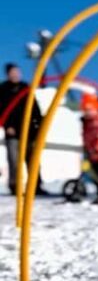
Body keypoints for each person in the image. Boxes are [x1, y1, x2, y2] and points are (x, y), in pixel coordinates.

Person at [0, 62, 47, 195]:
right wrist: (7, 125)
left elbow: (34, 108)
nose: (15, 74)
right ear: (8, 74)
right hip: (13, 131)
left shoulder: (25, 88)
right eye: (12, 72)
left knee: (32, 159)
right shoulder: (3, 90)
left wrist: (39, 124)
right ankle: (15, 186)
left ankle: (36, 186)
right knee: (14, 160)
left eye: (17, 72)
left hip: (29, 131)